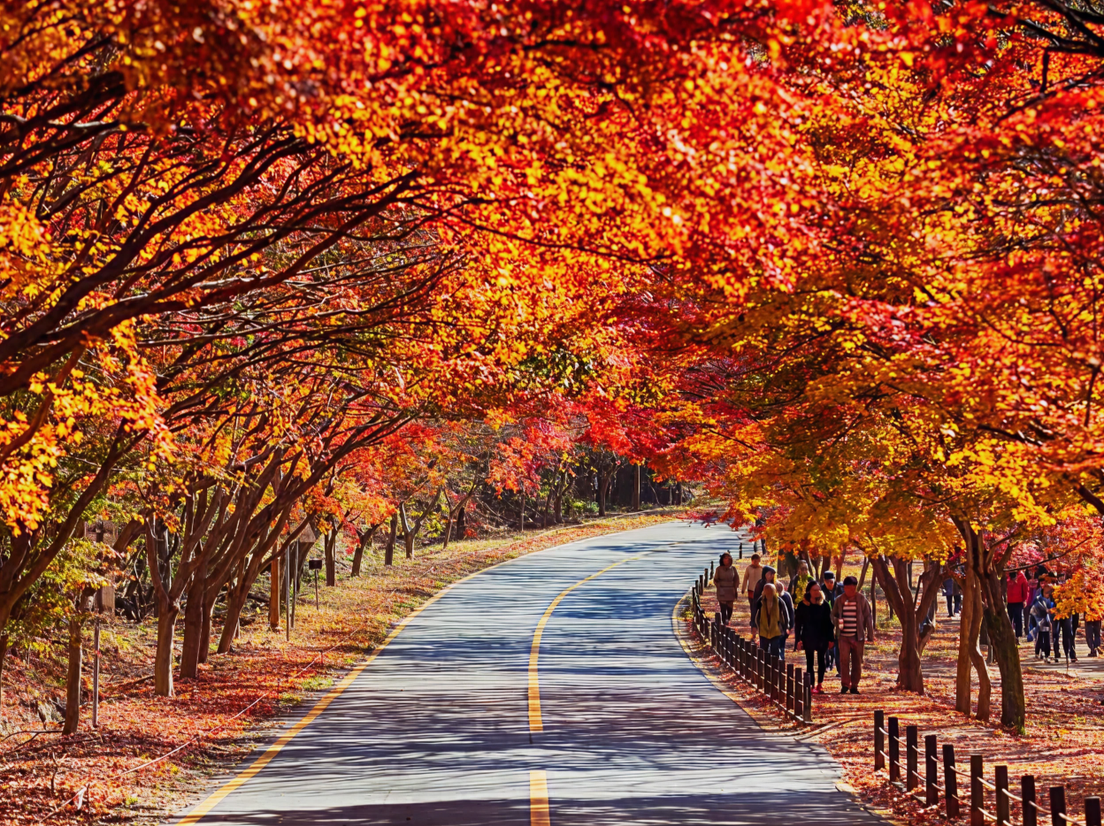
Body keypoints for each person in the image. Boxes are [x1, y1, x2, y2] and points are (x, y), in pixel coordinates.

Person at [831, 575, 875, 694]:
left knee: (857, 661)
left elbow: (868, 616)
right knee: (844, 660)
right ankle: (845, 684)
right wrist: (837, 621)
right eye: (847, 589)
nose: (850, 591)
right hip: (843, 636)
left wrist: (870, 634)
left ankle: (854, 685)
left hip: (857, 636)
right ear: (844, 588)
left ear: (855, 588)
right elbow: (832, 615)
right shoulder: (839, 600)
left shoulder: (861, 599)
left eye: (852, 589)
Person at [795, 581, 834, 693]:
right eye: (814, 590)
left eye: (818, 590)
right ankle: (811, 685)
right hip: (808, 636)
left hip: (822, 637)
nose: (817, 592)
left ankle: (820, 683)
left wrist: (831, 639)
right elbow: (798, 624)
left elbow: (829, 623)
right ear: (809, 591)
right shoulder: (803, 605)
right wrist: (798, 639)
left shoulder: (825, 605)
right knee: (809, 662)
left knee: (822, 660)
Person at [753, 582, 789, 659]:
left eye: (770, 590)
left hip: (776, 630)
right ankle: (765, 667)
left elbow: (785, 615)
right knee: (763, 651)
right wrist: (755, 625)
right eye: (766, 590)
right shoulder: (761, 601)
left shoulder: (779, 601)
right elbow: (755, 613)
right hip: (763, 630)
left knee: (775, 650)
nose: (768, 592)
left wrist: (786, 627)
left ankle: (775, 667)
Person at [821, 571, 841, 673]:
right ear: (824, 581)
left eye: (832, 582)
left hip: (838, 621)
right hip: (825, 621)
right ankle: (826, 664)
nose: (830, 584)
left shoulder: (840, 589)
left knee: (837, 645)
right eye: (828, 582)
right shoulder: (821, 590)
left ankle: (839, 668)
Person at [713, 552, 739, 627]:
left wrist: (735, 588)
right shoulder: (718, 569)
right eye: (725, 558)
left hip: (731, 590)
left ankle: (728, 619)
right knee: (723, 608)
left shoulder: (733, 569)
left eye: (728, 558)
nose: (726, 560)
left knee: (730, 608)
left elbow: (736, 579)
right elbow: (715, 579)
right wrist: (718, 586)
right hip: (722, 590)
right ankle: (724, 621)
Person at [1029, 586, 1054, 662]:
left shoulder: (1049, 600)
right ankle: (1040, 652)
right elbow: (1037, 609)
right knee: (1041, 638)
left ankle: (1046, 654)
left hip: (1045, 621)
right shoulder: (1039, 600)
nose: (1048, 595)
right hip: (1039, 621)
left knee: (1045, 638)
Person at [1006, 569, 1029, 639]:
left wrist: (1024, 599)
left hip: (1018, 601)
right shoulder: (1007, 578)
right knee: (1009, 619)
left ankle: (1018, 636)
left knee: (1018, 619)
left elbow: (1025, 590)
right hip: (1009, 601)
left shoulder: (1022, 579)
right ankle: (1009, 635)